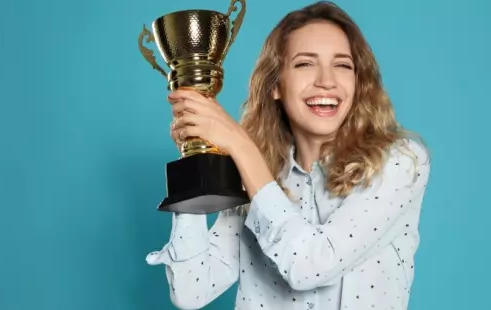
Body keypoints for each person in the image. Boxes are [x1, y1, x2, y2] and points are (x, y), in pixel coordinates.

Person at [145, 1, 431, 309]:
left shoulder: (399, 161)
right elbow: (191, 291)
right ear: (275, 85)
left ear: (358, 82)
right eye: (305, 63)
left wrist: (240, 146)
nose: (326, 80)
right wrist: (194, 155)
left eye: (343, 65)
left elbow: (311, 265)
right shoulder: (256, 170)